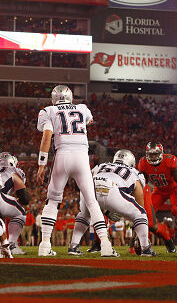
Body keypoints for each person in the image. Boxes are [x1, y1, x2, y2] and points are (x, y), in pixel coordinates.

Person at [36, 85, 116, 257]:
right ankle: (106, 246)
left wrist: (41, 163)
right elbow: (90, 120)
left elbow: (47, 135)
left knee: (52, 201)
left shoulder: (48, 111)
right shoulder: (82, 108)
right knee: (92, 202)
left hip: (62, 155)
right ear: (71, 97)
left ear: (54, 99)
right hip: (81, 156)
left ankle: (44, 246)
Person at [68, 149, 153, 256]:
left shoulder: (100, 166)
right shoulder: (135, 172)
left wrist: (106, 209)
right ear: (131, 162)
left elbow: (87, 178)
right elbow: (139, 198)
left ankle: (73, 246)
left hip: (89, 186)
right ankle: (146, 248)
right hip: (110, 188)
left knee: (84, 215)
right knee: (141, 213)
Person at [138, 142, 177, 253]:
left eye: (155, 154)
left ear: (161, 153)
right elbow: (143, 184)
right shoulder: (143, 163)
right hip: (159, 191)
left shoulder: (169, 160)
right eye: (150, 154)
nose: (153, 157)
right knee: (146, 217)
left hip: (173, 189)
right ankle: (163, 240)